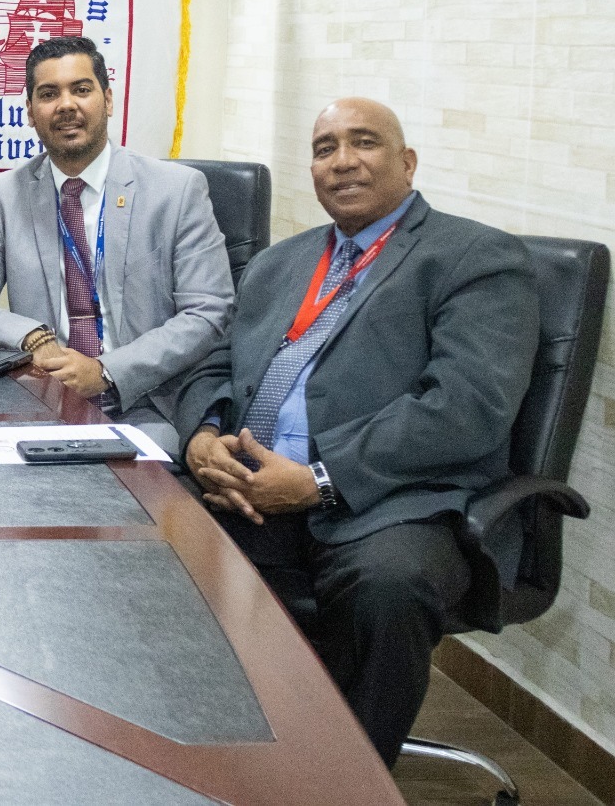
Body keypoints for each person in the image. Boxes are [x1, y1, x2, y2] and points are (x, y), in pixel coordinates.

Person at [175, 97, 539, 767]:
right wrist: (202, 436)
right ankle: (209, 763)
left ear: (407, 162)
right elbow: (215, 363)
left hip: (395, 502)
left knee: (386, 588)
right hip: (252, 491)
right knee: (152, 551)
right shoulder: (279, 263)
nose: (342, 160)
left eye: (364, 142)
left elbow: (465, 406)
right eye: (324, 148)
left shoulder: (476, 258)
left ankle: (347, 778)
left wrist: (318, 479)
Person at [0, 36, 234, 451]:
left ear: (107, 100)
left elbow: (209, 311)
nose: (66, 105)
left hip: (146, 404)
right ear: (30, 112)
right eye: (48, 94)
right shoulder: (5, 195)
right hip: (39, 403)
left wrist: (107, 370)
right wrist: (33, 337)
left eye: (81, 89)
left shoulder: (176, 190)